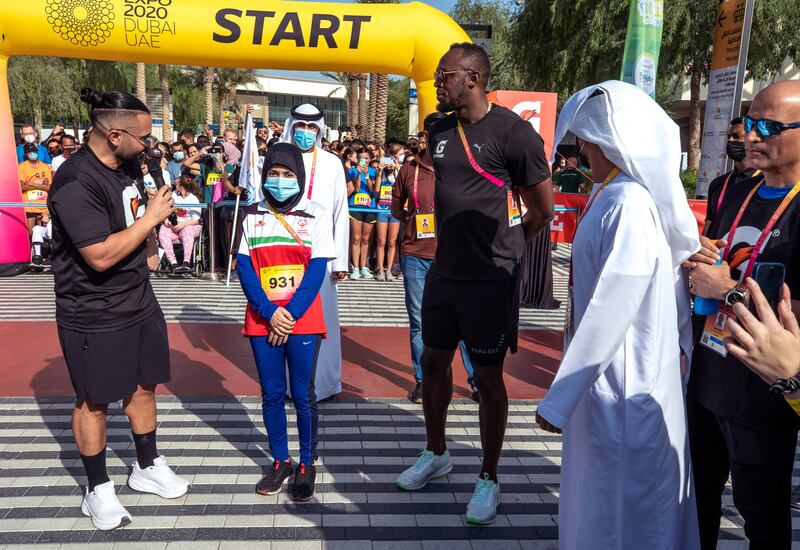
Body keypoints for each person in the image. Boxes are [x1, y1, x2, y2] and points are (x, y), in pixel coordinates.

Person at [534, 82, 701, 550]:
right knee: (600, 488)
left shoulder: (628, 203)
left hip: (627, 380)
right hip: (604, 378)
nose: (582, 147)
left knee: (623, 499)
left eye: (588, 138)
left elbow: (613, 305)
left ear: (612, 141)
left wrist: (558, 397)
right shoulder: (612, 195)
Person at [395, 43, 554, 525]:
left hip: (490, 279)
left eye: (443, 76)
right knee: (433, 361)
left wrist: (507, 248)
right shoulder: (436, 128)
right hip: (444, 270)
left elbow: (541, 211)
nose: (435, 83)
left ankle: (488, 477)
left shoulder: (515, 133)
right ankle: (437, 452)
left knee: (486, 378)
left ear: (472, 78)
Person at [47, 88, 189, 531]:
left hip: (139, 298)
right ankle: (97, 489)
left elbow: (137, 213)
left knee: (145, 386)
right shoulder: (75, 181)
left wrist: (151, 237)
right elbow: (100, 256)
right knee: (94, 401)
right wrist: (150, 219)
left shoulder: (130, 164)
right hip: (91, 308)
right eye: (143, 138)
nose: (150, 147)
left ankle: (146, 465)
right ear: (112, 135)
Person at [686, 80, 800, 550]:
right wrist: (704, 258)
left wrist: (729, 290)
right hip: (710, 373)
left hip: (764, 393)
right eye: (750, 123)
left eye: (768, 127)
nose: (751, 136)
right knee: (696, 506)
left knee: (762, 519)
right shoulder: (738, 190)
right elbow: (727, 256)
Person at [237, 143, 334, 500]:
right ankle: (281, 460)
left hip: (302, 320)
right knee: (272, 394)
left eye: (288, 174)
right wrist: (270, 312)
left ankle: (307, 464)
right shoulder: (250, 214)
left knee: (303, 395)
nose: (280, 181)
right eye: (273, 174)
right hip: (263, 320)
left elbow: (317, 269)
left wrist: (288, 314)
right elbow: (245, 269)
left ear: (300, 177)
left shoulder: (316, 213)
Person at [278, 104, 350, 458]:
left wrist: (341, 258)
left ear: (320, 129)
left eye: (311, 125)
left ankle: (327, 384)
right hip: (285, 256)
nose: (305, 130)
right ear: (292, 125)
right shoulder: (279, 158)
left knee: (324, 321)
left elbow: (341, 212)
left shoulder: (333, 163)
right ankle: (294, 386)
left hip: (322, 254)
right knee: (289, 316)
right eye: (300, 124)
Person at [392, 112, 479, 404]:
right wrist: (411, 223)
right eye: (435, 134)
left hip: (455, 257)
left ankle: (477, 381)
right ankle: (423, 380)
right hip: (416, 256)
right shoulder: (409, 170)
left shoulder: (463, 167)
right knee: (419, 323)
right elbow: (396, 207)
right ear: (425, 137)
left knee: (466, 322)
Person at [703, 117, 758, 234]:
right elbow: (709, 222)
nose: (730, 141)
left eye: (737, 136)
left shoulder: (765, 182)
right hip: (717, 250)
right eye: (728, 137)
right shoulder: (718, 184)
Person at [158, 176, 202, 274]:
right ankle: (173, 263)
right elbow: (166, 210)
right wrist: (166, 220)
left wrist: (182, 225)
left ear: (181, 187)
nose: (175, 186)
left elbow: (196, 220)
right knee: (163, 231)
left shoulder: (193, 199)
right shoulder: (174, 195)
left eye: (176, 185)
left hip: (189, 226)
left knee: (187, 231)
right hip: (174, 226)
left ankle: (186, 262)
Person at [347, 150, 378, 279]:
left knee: (366, 240)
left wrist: (366, 175)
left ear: (370, 159)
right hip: (355, 207)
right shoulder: (352, 171)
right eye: (360, 158)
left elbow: (372, 190)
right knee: (356, 239)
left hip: (370, 208)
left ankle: (364, 266)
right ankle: (355, 268)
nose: (363, 161)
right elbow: (357, 188)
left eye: (365, 159)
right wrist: (359, 174)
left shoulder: (373, 171)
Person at [374, 150, 402, 281]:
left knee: (392, 242)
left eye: (392, 162)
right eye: (387, 162)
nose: (389, 165)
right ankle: (380, 269)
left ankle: (389, 270)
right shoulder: (381, 174)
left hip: (395, 211)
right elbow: (376, 192)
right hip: (382, 210)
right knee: (381, 241)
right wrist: (379, 172)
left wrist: (398, 168)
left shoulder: (398, 175)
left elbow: (405, 185)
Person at [18, 142, 53, 243]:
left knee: (42, 232)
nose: (32, 153)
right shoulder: (21, 167)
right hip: (29, 205)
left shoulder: (45, 167)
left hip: (43, 206)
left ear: (37, 152)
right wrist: (41, 185)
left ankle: (42, 255)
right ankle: (33, 254)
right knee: (30, 233)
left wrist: (30, 184)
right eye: (29, 152)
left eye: (33, 151)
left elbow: (49, 187)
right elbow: (21, 186)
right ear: (26, 154)